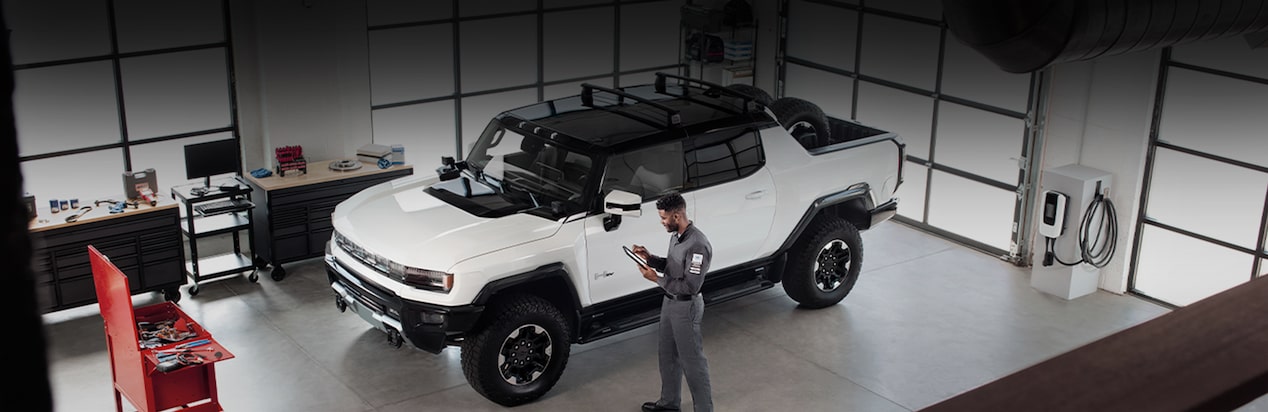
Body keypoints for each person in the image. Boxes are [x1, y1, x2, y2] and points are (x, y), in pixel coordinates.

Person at [632, 192, 713, 412]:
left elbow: (690, 286)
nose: (662, 222)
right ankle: (669, 403)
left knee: (692, 362)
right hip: (669, 303)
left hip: (686, 307)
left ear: (677, 216)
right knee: (666, 355)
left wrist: (655, 279)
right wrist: (650, 258)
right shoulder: (676, 235)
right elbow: (673, 265)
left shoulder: (698, 245)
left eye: (664, 218)